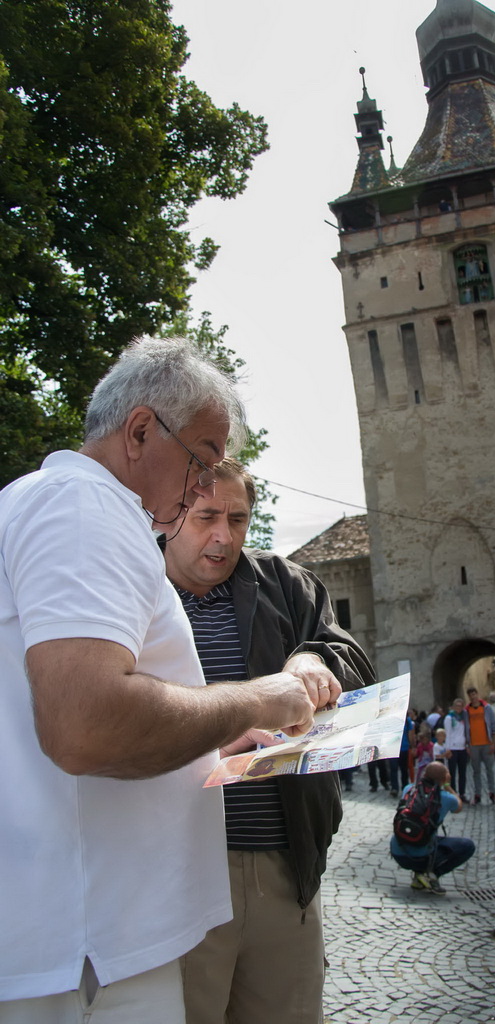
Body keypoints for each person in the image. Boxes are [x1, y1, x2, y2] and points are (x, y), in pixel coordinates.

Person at [0, 338, 323, 1022]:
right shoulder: (84, 507)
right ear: (141, 430)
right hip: (87, 952)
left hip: (82, 944)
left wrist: (199, 754)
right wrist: (255, 700)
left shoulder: (61, 504)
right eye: (201, 461)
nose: (206, 485)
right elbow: (84, 725)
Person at [163, 457, 375, 1024]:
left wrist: (314, 659)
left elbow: (352, 661)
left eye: (237, 518)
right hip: (174, 872)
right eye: (207, 516)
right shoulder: (136, 590)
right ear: (171, 512)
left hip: (284, 867)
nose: (223, 535)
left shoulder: (285, 583)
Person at [390, 762, 475, 895]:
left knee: (431, 837)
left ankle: (419, 877)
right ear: (444, 778)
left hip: (398, 851)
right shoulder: (446, 798)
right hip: (421, 856)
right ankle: (431, 875)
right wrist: (447, 786)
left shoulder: (409, 789)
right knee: (467, 846)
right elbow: (459, 806)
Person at [464, 687, 495, 803]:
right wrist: (467, 745)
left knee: (489, 769)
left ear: (477, 694)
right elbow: (466, 728)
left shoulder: (486, 707)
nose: (473, 696)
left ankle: (492, 793)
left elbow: (493, 726)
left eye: (474, 694)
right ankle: (477, 794)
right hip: (474, 744)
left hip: (486, 742)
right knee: (476, 771)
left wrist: (493, 743)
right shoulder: (467, 710)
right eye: (470, 695)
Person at [444, 697, 469, 801]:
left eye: (461, 705)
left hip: (462, 747)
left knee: (462, 772)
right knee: (452, 772)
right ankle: (453, 793)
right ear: (454, 707)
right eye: (457, 706)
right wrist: (448, 748)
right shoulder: (449, 718)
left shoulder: (464, 717)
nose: (459, 708)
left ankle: (462, 793)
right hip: (453, 748)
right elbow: (448, 734)